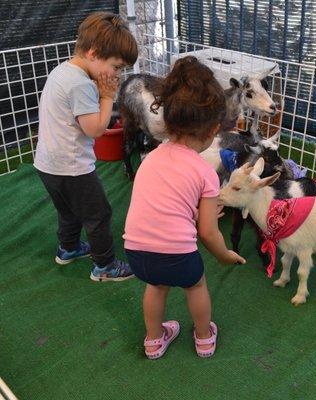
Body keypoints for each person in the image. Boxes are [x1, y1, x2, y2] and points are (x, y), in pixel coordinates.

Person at [123, 56, 246, 360]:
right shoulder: (205, 171)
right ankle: (203, 337)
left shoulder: (150, 159)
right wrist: (223, 254)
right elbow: (207, 231)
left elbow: (155, 207)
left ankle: (154, 340)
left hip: (136, 254)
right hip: (177, 255)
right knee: (196, 284)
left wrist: (188, 215)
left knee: (157, 285)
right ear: (212, 131)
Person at [34, 12, 138, 281]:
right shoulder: (80, 85)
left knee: (68, 210)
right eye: (116, 67)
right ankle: (104, 266)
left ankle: (68, 248)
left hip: (48, 165)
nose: (116, 74)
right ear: (93, 53)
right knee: (99, 214)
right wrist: (106, 97)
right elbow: (96, 129)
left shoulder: (63, 71)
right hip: (72, 167)